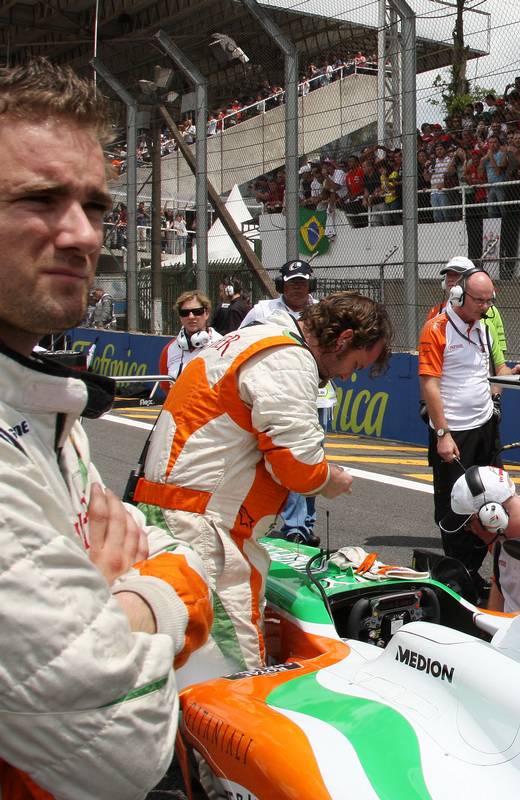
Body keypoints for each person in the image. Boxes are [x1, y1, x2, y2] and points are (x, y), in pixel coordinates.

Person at [0, 58, 213, 798]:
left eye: (94, 205)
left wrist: (107, 606)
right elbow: (121, 747)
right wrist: (158, 592)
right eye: (40, 199)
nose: (80, 233)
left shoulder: (46, 407)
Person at [134, 292, 391, 672]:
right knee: (233, 668)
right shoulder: (287, 358)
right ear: (343, 338)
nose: (346, 376)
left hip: (180, 517)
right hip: (202, 529)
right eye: (354, 363)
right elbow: (298, 466)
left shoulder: (252, 338)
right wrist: (328, 479)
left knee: (183, 655)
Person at [420, 268, 520, 600]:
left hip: (485, 428)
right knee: (455, 507)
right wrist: (442, 433)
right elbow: (429, 385)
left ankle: (477, 573)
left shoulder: (484, 329)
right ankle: (455, 578)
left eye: (490, 300)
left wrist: (511, 376)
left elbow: (494, 372)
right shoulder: (436, 329)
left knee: (494, 503)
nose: (487, 307)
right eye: (481, 301)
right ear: (459, 297)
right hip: (455, 432)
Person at [240, 260, 333, 544]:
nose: (297, 288)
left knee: (312, 460)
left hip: (319, 397)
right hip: (280, 395)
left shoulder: (324, 312)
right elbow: (241, 340)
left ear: (311, 285)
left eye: (302, 283)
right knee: (292, 455)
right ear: (281, 285)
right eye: (292, 283)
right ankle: (294, 527)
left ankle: (306, 521)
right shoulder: (263, 311)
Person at [440, 466, 520, 612]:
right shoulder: (501, 539)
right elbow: (499, 584)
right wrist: (489, 627)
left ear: (491, 516)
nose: (468, 530)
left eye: (468, 523)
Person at [427, 256, 508, 358]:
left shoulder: (490, 311)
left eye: (457, 275)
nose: (451, 279)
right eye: (449, 275)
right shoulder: (435, 312)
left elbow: (499, 351)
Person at [160, 290, 217, 387]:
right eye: (184, 313)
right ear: (180, 317)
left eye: (197, 312)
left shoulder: (221, 344)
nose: (191, 317)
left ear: (206, 313)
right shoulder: (169, 348)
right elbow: (165, 386)